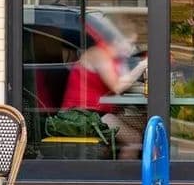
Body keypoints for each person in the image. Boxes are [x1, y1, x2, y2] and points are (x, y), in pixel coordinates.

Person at [62, 18, 147, 157]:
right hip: (82, 115)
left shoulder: (115, 58)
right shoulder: (99, 55)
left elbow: (126, 82)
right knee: (134, 139)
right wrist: (141, 65)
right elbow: (118, 87)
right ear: (117, 41)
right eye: (130, 43)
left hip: (99, 112)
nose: (132, 48)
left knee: (143, 123)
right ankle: (123, 170)